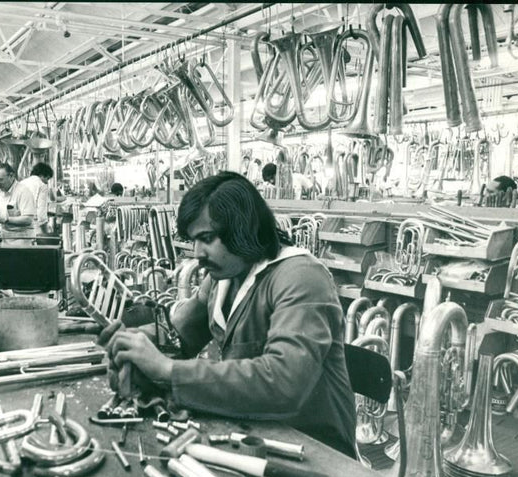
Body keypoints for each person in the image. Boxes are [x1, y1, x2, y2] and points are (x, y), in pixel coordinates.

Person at [99, 172, 357, 458]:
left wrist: (165, 370)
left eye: (207, 238)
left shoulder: (301, 278)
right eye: (194, 240)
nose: (197, 253)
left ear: (242, 229)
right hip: (253, 432)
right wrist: (135, 346)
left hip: (314, 450)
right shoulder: (224, 277)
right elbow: (180, 334)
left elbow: (284, 383)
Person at [0, 162, 38, 241]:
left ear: (11, 176)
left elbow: (28, 219)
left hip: (22, 239)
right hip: (5, 237)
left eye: (0, 180)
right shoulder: (0, 192)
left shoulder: (23, 192)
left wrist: (5, 219)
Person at [20, 162, 53, 234]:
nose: (47, 182)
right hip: (33, 225)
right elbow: (41, 214)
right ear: (41, 175)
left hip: (18, 223)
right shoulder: (42, 186)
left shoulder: (21, 183)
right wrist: (46, 232)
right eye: (47, 178)